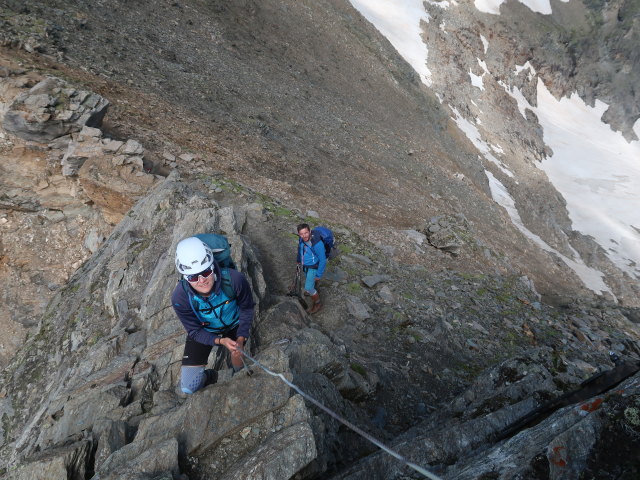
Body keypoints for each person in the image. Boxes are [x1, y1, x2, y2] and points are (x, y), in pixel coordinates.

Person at [172, 236, 255, 394]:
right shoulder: (180, 297)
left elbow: (246, 308)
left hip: (234, 323)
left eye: (205, 272)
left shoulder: (234, 279)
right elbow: (194, 331)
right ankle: (211, 376)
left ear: (212, 265)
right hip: (206, 329)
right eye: (193, 277)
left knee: (238, 355)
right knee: (189, 387)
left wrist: (241, 337)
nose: (201, 280)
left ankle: (239, 377)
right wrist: (219, 340)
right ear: (185, 277)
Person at [296, 223, 326, 314]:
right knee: (310, 282)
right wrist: (298, 260)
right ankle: (314, 286)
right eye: (301, 234)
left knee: (308, 288)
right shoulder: (301, 239)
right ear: (298, 234)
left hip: (313, 267)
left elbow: (323, 260)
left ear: (309, 231)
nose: (304, 236)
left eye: (306, 233)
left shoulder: (317, 244)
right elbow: (300, 249)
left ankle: (317, 304)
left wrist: (318, 275)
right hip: (306, 265)